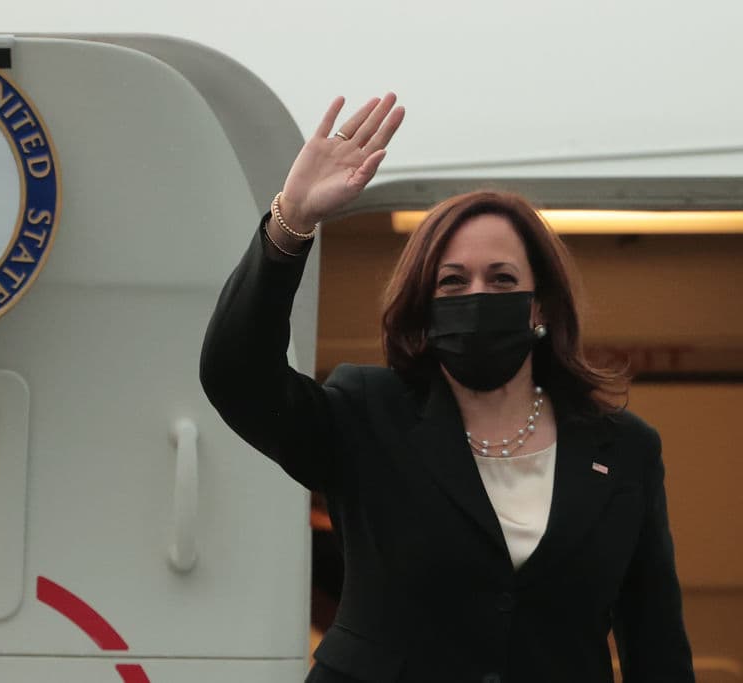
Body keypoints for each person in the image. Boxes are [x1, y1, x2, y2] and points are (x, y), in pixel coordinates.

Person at [199, 93, 694, 682]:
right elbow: (236, 376)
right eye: (453, 282)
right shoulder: (366, 413)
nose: (477, 294)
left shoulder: (626, 449)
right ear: (425, 307)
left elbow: (655, 640)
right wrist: (292, 222)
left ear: (539, 306)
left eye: (502, 278)